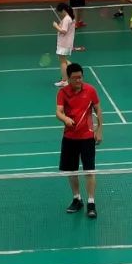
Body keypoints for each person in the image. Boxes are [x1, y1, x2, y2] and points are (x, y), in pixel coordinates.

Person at [55, 63, 103, 219]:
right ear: (68, 78)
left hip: (87, 137)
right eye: (74, 78)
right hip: (70, 137)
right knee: (72, 171)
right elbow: (58, 112)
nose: (78, 80)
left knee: (89, 171)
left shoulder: (90, 90)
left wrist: (99, 130)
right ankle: (77, 199)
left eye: (80, 77)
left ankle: (91, 202)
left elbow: (98, 109)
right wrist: (65, 119)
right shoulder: (62, 92)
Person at [52, 2, 76, 87]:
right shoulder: (70, 17)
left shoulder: (66, 19)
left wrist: (56, 26)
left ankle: (64, 81)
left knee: (62, 62)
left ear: (63, 10)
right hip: (66, 43)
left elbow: (64, 31)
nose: (59, 13)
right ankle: (73, 70)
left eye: (59, 12)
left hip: (64, 43)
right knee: (64, 60)